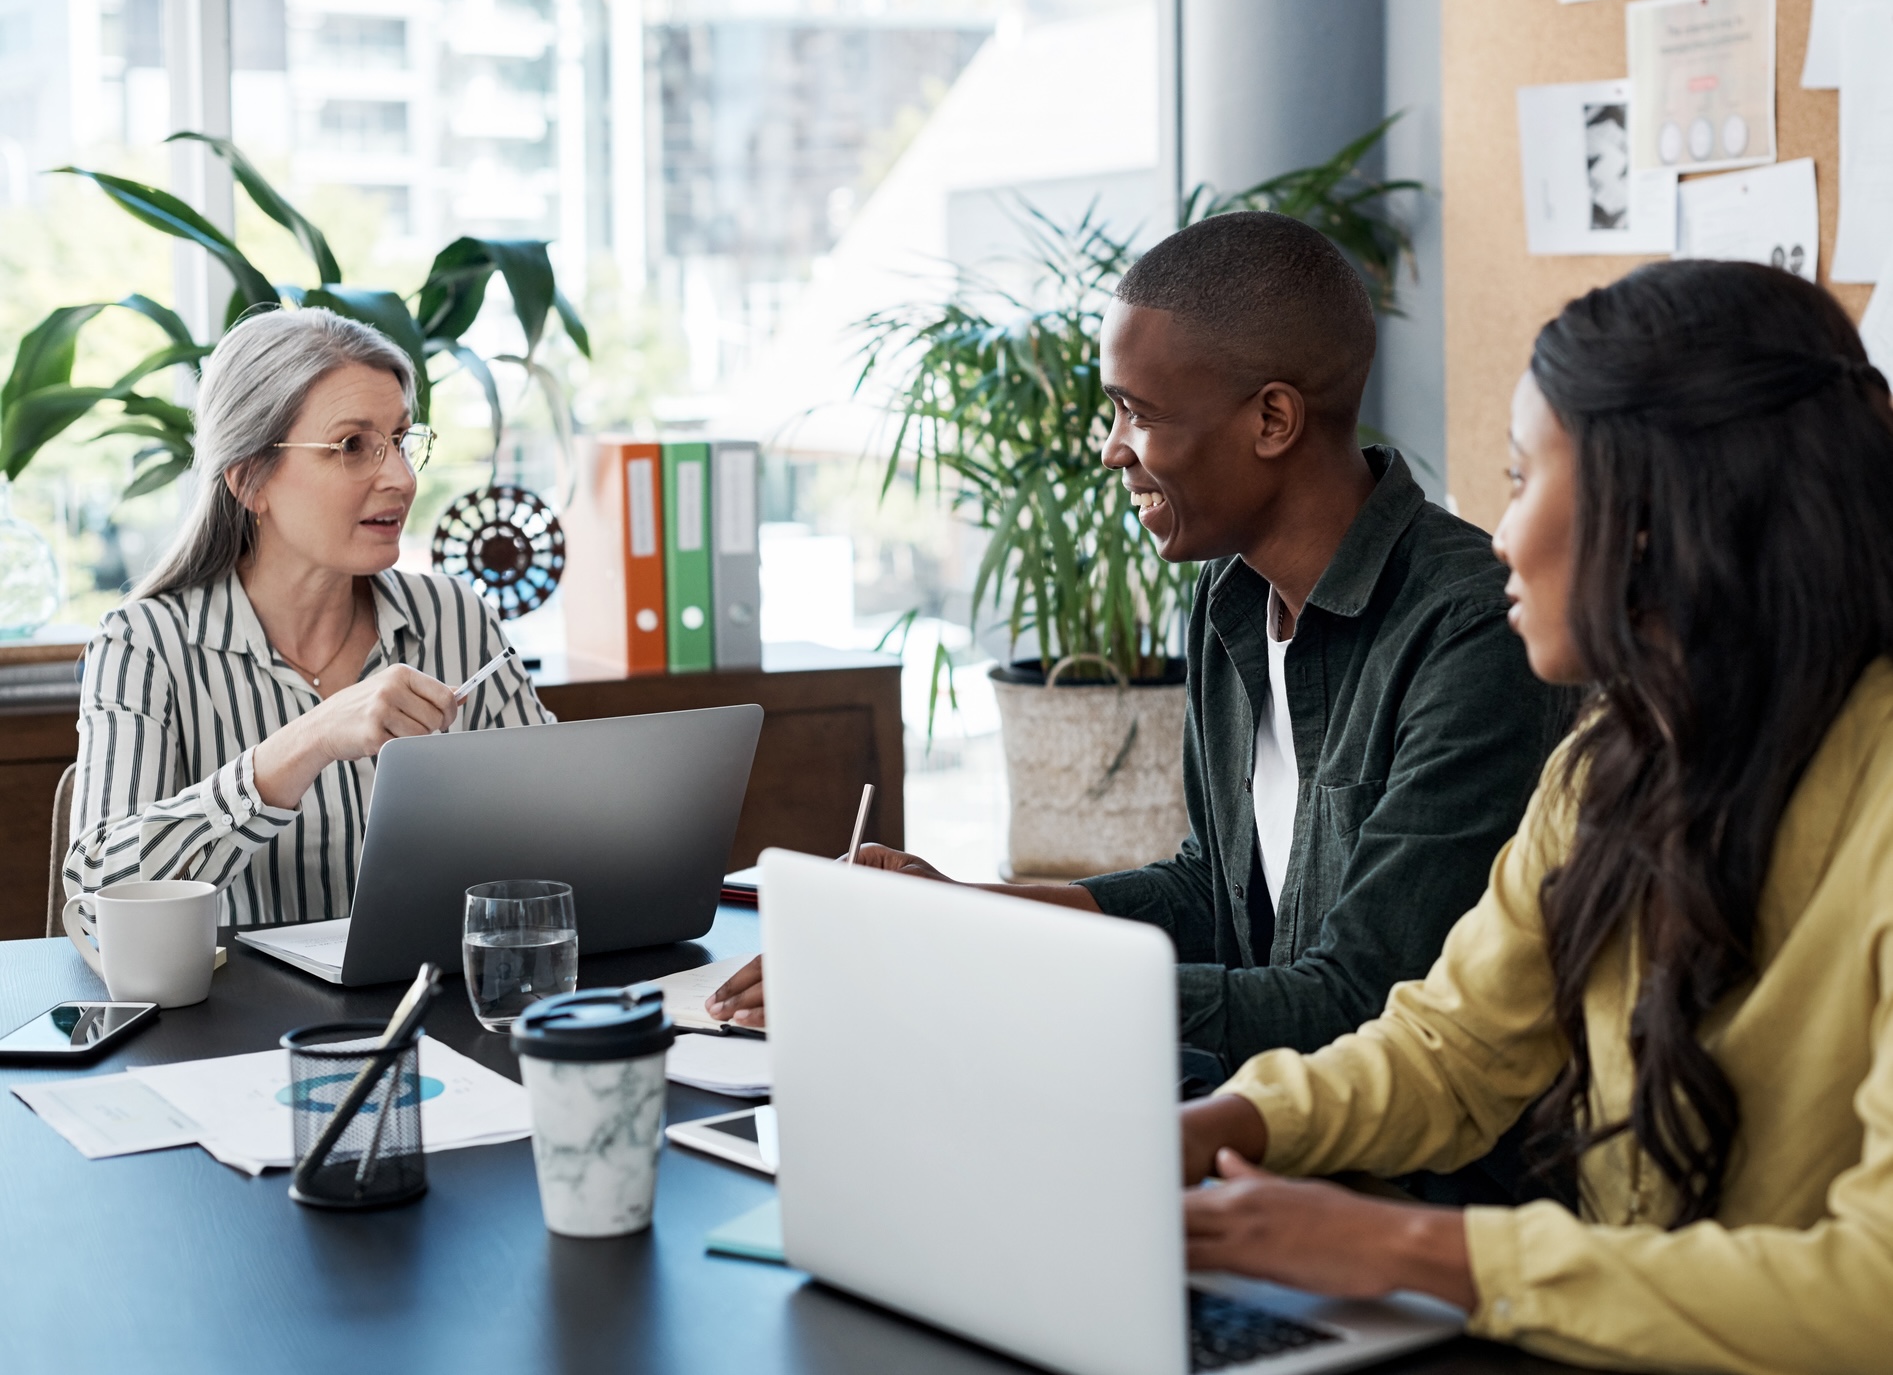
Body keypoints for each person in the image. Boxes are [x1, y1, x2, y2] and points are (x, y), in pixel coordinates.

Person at [1178, 260, 1893, 1372]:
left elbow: (1875, 1290)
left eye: (1520, 479)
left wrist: (1424, 1250)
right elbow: (1454, 1049)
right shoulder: (1605, 764)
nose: (1499, 535)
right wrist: (1233, 1122)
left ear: (1651, 514)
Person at [707, 212, 1568, 1089]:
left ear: (1273, 418)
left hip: (1403, 1181)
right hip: (1254, 1110)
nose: (1111, 449)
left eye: (1137, 413)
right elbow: (1211, 894)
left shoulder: (1471, 631)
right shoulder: (1228, 598)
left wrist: (954, 962)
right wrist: (956, 910)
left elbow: (1357, 1004)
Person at [64, 307, 550, 927]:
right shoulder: (144, 644)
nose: (400, 478)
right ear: (249, 480)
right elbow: (95, 889)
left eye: (400, 441)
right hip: (240, 1020)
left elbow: (558, 836)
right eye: (352, 446)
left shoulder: (458, 618)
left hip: (441, 1007)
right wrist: (308, 741)